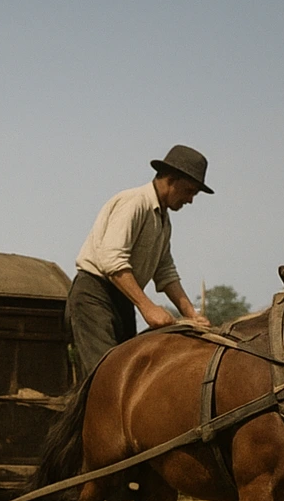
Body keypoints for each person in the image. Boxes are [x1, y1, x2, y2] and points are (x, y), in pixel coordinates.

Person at [67, 144, 213, 378]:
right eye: (189, 191)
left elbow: (165, 272)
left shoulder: (163, 221)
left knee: (128, 376)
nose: (190, 200)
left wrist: (191, 315)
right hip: (94, 295)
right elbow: (112, 260)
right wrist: (148, 307)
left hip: (122, 299)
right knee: (106, 377)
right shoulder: (134, 202)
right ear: (171, 179)